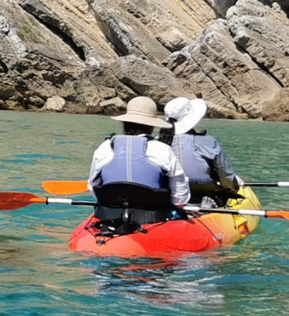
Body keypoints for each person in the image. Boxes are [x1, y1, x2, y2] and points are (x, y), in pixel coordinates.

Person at [85, 96, 191, 232]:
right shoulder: (162, 149)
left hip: (110, 216)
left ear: (125, 122)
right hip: (153, 218)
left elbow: (93, 187)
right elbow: (180, 199)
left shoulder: (105, 147)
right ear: (152, 126)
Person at [164, 97, 241, 206]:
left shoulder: (160, 141)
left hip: (171, 192)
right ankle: (209, 206)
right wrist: (233, 188)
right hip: (203, 192)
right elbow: (225, 177)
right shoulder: (207, 142)